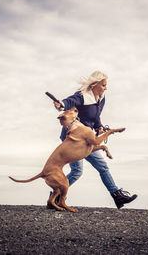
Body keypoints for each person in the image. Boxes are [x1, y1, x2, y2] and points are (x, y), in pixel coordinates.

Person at [51, 70, 137, 209]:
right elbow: (70, 101)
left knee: (102, 166)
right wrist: (61, 104)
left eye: (106, 85)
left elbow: (95, 117)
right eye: (103, 85)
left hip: (87, 138)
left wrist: (99, 127)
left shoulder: (101, 99)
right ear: (94, 85)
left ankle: (117, 196)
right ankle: (55, 198)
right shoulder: (83, 96)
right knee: (77, 171)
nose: (105, 88)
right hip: (73, 139)